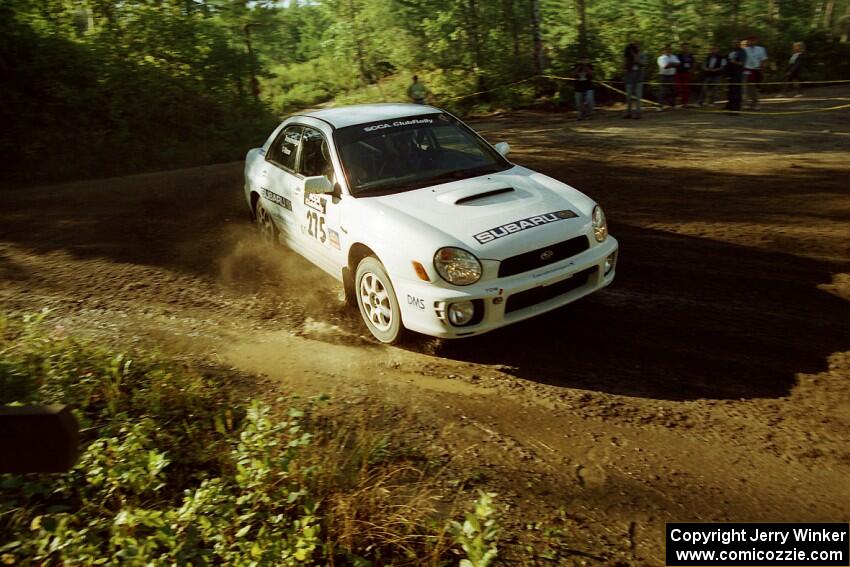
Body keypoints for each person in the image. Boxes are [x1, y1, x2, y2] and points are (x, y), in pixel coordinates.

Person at [623, 42, 648, 118]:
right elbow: (623, 66)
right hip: (629, 78)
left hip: (638, 78)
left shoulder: (642, 55)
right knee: (628, 97)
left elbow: (643, 63)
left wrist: (634, 54)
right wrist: (627, 57)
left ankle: (638, 113)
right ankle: (628, 113)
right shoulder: (627, 56)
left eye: (637, 47)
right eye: (635, 47)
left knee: (638, 97)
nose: (636, 48)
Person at [743, 36, 768, 110]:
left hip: (757, 69)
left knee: (756, 87)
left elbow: (763, 61)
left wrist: (763, 71)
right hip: (747, 69)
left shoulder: (761, 49)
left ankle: (756, 103)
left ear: (756, 41)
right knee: (748, 87)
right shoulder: (745, 50)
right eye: (750, 41)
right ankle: (748, 103)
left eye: (753, 40)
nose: (751, 42)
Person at [726, 39, 746, 114]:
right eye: (732, 43)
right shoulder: (731, 52)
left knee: (736, 91)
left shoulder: (742, 51)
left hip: (738, 74)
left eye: (735, 43)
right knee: (730, 91)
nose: (733, 44)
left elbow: (742, 63)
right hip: (731, 74)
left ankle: (736, 109)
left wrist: (734, 62)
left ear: (738, 44)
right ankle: (730, 108)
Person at [656, 44, 679, 111]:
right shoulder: (661, 58)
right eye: (667, 49)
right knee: (663, 91)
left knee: (672, 90)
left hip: (672, 75)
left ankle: (672, 105)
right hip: (664, 76)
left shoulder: (674, 56)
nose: (669, 50)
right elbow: (665, 66)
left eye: (670, 49)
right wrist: (673, 64)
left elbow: (678, 64)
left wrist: (670, 64)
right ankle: (660, 106)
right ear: (663, 50)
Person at [675, 42, 695, 106]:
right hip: (679, 73)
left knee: (686, 88)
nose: (685, 49)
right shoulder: (678, 55)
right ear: (681, 48)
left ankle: (685, 103)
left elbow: (693, 63)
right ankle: (678, 101)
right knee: (678, 88)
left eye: (686, 47)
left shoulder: (690, 55)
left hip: (687, 73)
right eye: (684, 47)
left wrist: (692, 71)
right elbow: (675, 64)